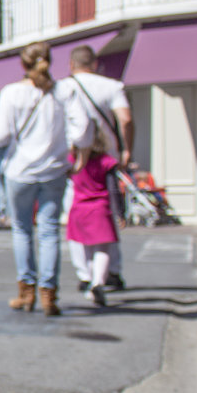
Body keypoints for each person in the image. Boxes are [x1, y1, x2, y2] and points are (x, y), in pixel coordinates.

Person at [0, 42, 90, 317]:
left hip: (19, 171)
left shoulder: (11, 93)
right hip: (54, 170)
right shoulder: (65, 91)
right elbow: (83, 130)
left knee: (22, 230)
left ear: (24, 64)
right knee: (48, 232)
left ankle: (26, 292)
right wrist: (77, 155)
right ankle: (49, 296)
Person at [56, 45, 135, 292]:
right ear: (95, 63)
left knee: (75, 216)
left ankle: (85, 273)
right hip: (105, 158)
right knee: (107, 215)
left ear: (71, 64)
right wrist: (126, 149)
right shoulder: (111, 86)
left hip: (75, 160)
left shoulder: (61, 88)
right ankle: (111, 271)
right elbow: (126, 119)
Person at [67, 130, 121, 307]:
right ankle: (98, 282)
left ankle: (89, 280)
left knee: (86, 249)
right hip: (100, 209)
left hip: (78, 209)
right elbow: (114, 189)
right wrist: (120, 211)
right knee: (103, 250)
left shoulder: (73, 160)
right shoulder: (106, 161)